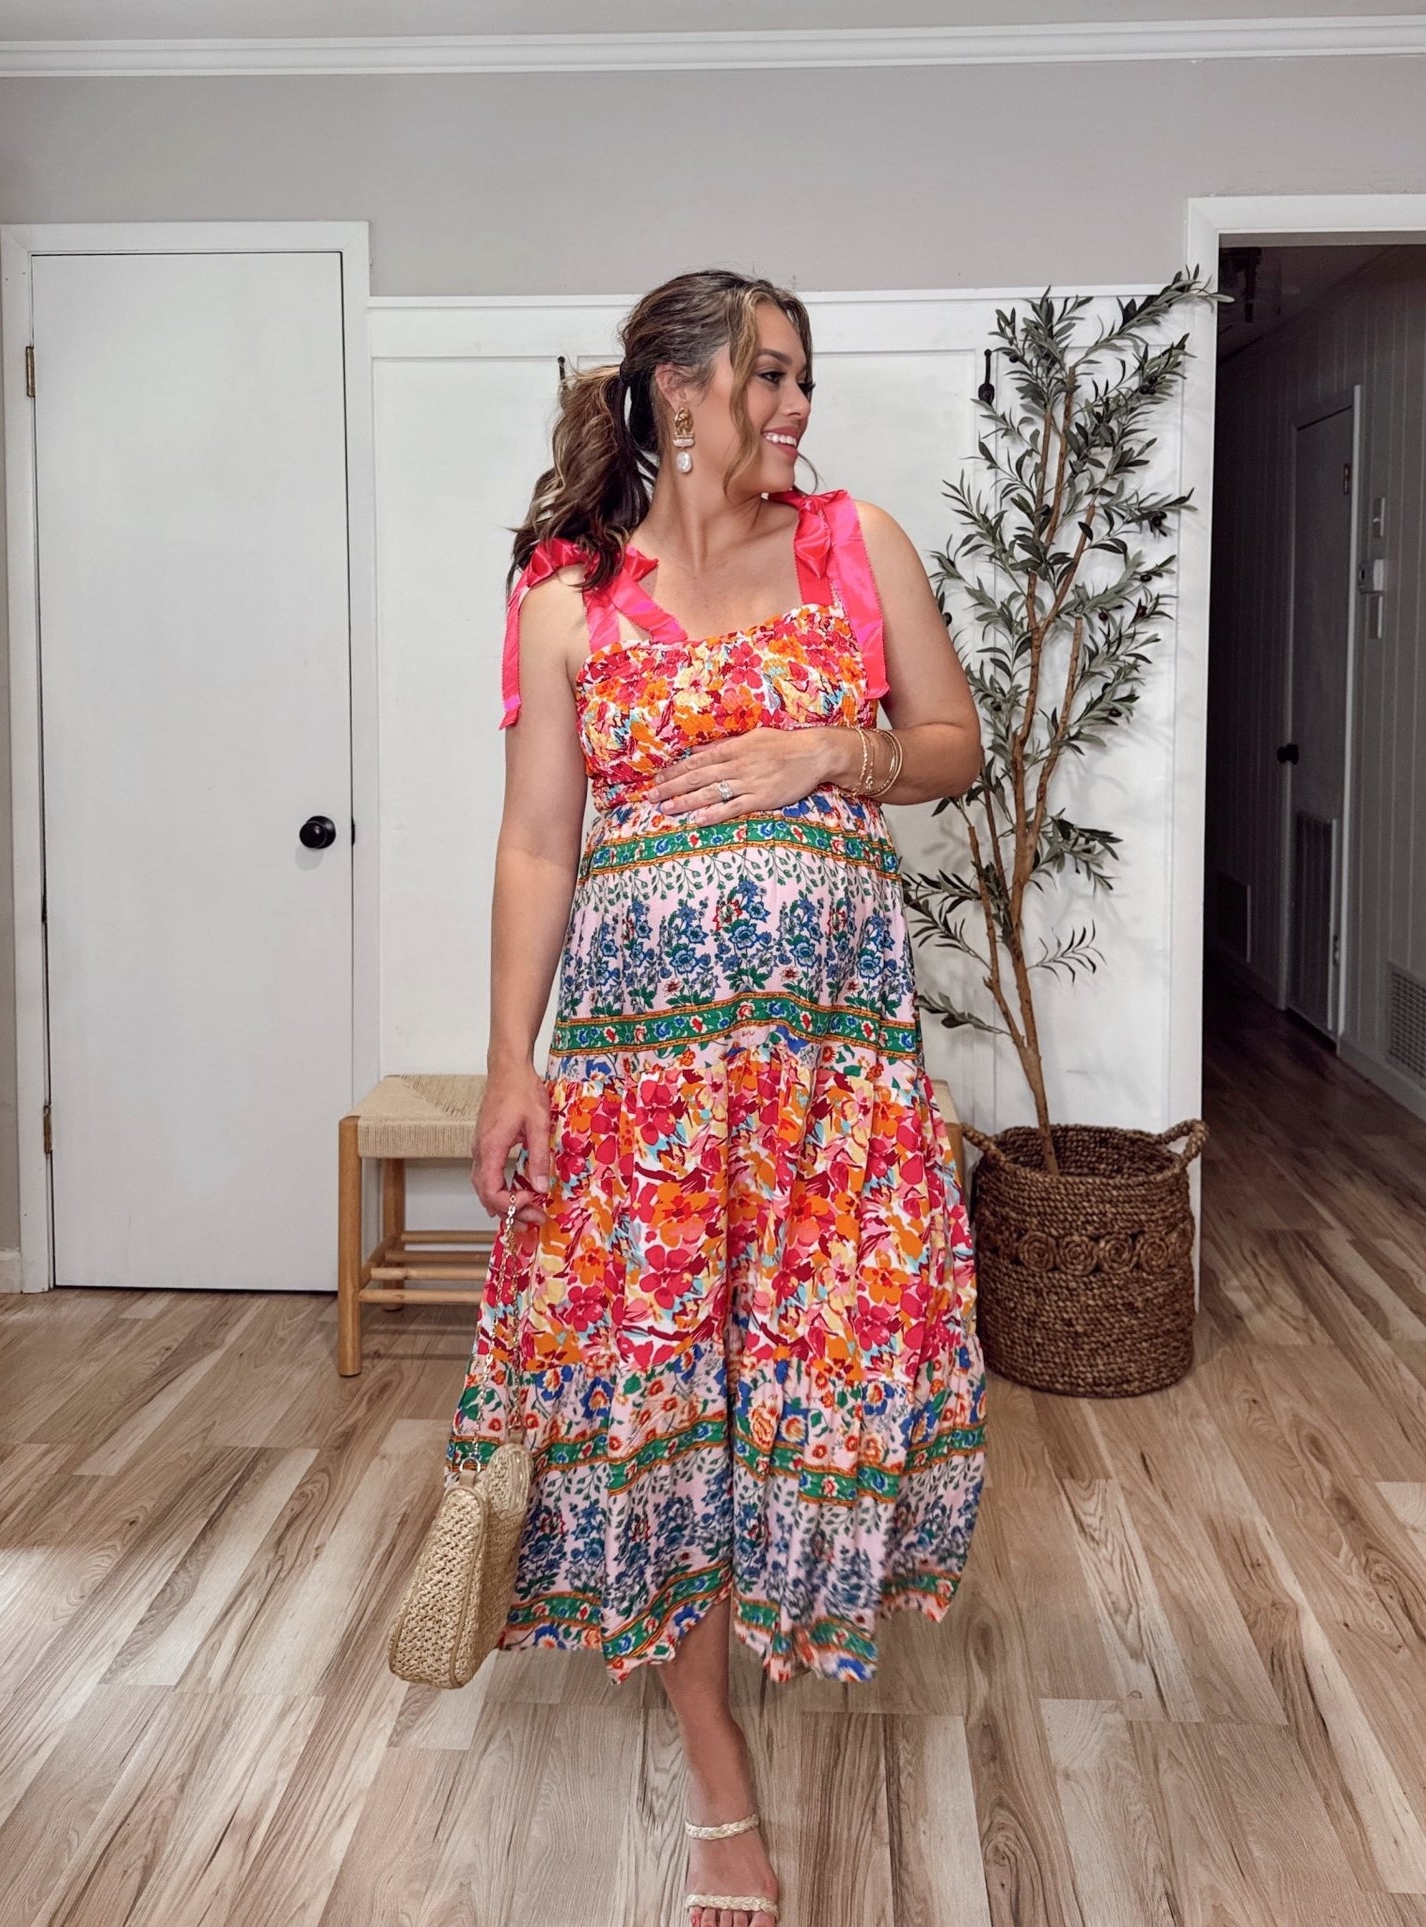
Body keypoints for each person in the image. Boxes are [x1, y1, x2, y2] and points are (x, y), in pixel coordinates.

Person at [449, 268, 986, 1927]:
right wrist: (505, 1063)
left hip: (832, 1083)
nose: (795, 406)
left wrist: (828, 752)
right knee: (660, 1389)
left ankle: (798, 1607)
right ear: (675, 390)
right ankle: (713, 1767)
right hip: (641, 1091)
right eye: (768, 374)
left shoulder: (855, 544)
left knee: (821, 1362)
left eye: (804, 378)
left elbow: (952, 743)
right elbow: (541, 840)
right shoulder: (567, 597)